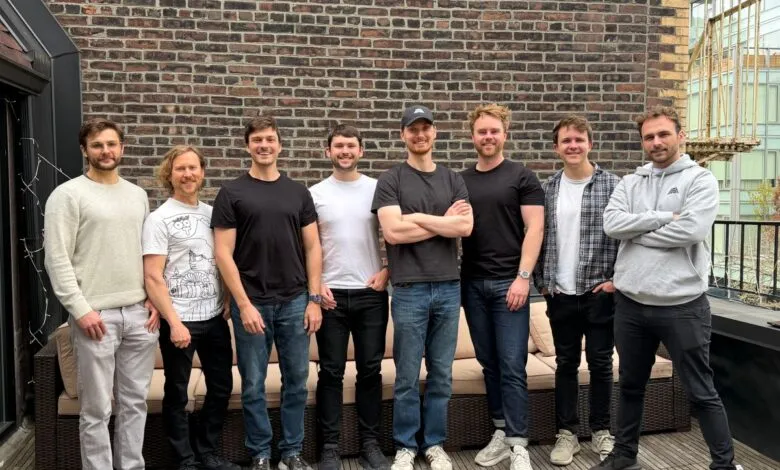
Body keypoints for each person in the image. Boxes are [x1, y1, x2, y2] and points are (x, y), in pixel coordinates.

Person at [593, 106, 738, 470]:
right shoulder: (630, 183)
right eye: (649, 137)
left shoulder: (700, 180)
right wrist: (660, 219)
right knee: (630, 385)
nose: (656, 142)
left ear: (679, 136)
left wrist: (637, 233)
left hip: (682, 306)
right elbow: (611, 224)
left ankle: (723, 464)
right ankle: (624, 455)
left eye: (663, 134)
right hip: (630, 304)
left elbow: (690, 231)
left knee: (701, 392)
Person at [44, 118, 160, 470]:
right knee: (96, 409)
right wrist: (81, 310)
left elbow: (147, 252)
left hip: (139, 315)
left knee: (135, 403)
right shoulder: (67, 195)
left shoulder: (137, 195)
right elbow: (56, 257)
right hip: (96, 317)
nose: (105, 151)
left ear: (122, 148)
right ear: (85, 150)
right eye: (97, 145)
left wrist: (153, 299)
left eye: (111, 144)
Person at [212, 115, 323, 470]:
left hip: (294, 302)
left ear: (279, 145)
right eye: (257, 139)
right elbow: (223, 253)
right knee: (254, 385)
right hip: (253, 304)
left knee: (296, 383)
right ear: (248, 146)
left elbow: (313, 248)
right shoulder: (232, 193)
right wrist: (242, 304)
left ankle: (291, 453)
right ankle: (260, 454)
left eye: (270, 139)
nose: (264, 145)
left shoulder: (298, 191)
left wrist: (314, 299)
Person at [372, 104, 473, 470]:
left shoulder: (453, 180)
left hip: (448, 287)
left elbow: (464, 229)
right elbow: (394, 234)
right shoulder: (391, 180)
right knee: (407, 374)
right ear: (403, 135)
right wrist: (439, 221)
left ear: (435, 133)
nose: (420, 135)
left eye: (425, 128)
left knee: (442, 374)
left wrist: (414, 217)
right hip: (409, 289)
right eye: (412, 129)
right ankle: (404, 445)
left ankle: (434, 444)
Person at [142, 146, 239, 470]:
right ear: (169, 174)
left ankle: (207, 452)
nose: (188, 174)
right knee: (178, 393)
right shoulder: (158, 219)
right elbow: (153, 276)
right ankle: (185, 461)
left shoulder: (213, 215)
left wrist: (226, 297)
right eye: (180, 168)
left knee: (222, 386)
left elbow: (222, 260)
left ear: (202, 172)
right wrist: (175, 322)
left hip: (213, 319)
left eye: (193, 168)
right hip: (179, 320)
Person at [460, 103, 544, 470]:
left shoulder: (522, 177)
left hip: (510, 284)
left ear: (504, 133)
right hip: (472, 285)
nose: (488, 137)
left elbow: (535, 229)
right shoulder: (460, 181)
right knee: (489, 363)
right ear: (473, 136)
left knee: (512, 364)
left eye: (494, 130)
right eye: (482, 131)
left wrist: (523, 278)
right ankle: (500, 431)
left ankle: (519, 444)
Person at [533, 115, 620, 466]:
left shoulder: (614, 185)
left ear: (589, 143)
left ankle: (601, 431)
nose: (573, 146)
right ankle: (567, 434)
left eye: (579, 140)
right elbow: (539, 237)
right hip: (561, 293)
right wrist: (543, 283)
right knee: (566, 364)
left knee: (601, 364)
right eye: (566, 141)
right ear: (557, 148)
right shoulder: (548, 188)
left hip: (599, 291)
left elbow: (627, 237)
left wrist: (618, 281)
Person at [310, 124, 390, 470]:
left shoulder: (378, 189)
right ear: (327, 152)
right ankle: (329, 447)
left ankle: (369, 444)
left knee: (371, 370)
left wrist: (387, 272)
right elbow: (307, 246)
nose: (345, 151)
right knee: (331, 372)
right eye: (338, 146)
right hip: (330, 297)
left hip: (370, 294)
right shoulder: (313, 194)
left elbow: (395, 235)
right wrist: (314, 288)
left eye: (351, 146)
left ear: (361, 151)